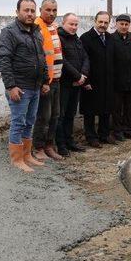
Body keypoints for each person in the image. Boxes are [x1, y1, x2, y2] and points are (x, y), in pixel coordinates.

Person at [0, 0, 48, 173]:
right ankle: (17, 159)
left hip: (35, 87)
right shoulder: (9, 32)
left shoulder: (36, 33)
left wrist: (45, 81)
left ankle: (27, 155)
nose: (30, 14)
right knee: (19, 122)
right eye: (26, 10)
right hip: (20, 87)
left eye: (33, 11)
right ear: (17, 11)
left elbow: (42, 59)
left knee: (30, 122)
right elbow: (3, 60)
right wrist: (11, 86)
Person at [32, 0, 64, 161]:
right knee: (44, 116)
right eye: (48, 10)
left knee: (55, 115)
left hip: (56, 80)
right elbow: (39, 57)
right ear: (40, 10)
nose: (52, 13)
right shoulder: (37, 28)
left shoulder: (53, 27)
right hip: (46, 82)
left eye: (55, 10)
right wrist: (44, 81)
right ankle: (38, 148)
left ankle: (49, 146)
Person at [55, 13, 89, 156]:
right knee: (61, 115)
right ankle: (61, 145)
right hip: (64, 83)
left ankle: (70, 141)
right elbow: (62, 60)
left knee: (70, 114)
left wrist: (83, 75)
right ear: (63, 23)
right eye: (71, 24)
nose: (74, 27)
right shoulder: (59, 38)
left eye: (76, 24)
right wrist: (77, 75)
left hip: (77, 83)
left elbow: (85, 57)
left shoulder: (77, 39)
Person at [80, 11, 115, 147]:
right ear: (95, 21)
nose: (103, 25)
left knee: (106, 109)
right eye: (100, 22)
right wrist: (86, 81)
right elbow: (83, 60)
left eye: (106, 22)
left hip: (107, 81)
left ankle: (104, 134)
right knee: (90, 111)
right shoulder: (86, 38)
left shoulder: (110, 39)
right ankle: (91, 137)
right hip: (91, 81)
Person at [108, 14, 131, 141]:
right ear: (116, 24)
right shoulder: (111, 38)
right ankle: (117, 131)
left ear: (129, 25)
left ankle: (130, 128)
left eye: (126, 24)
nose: (124, 26)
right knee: (117, 108)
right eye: (121, 24)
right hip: (117, 81)